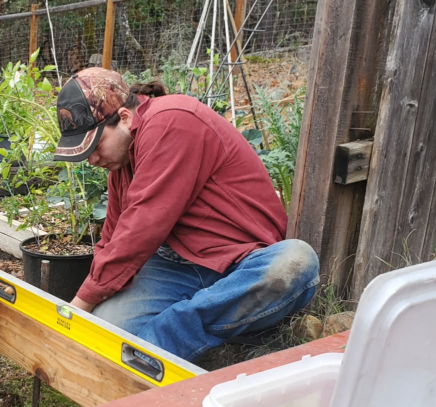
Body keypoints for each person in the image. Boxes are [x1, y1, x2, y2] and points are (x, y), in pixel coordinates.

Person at [53, 68, 319, 362]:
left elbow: (141, 228)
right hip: (175, 267)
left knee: (296, 261)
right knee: (109, 325)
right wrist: (78, 312)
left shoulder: (171, 121)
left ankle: (155, 346)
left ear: (125, 118)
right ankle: (220, 324)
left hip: (238, 263)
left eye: (95, 145)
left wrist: (80, 304)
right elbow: (114, 237)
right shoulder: (123, 161)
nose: (91, 159)